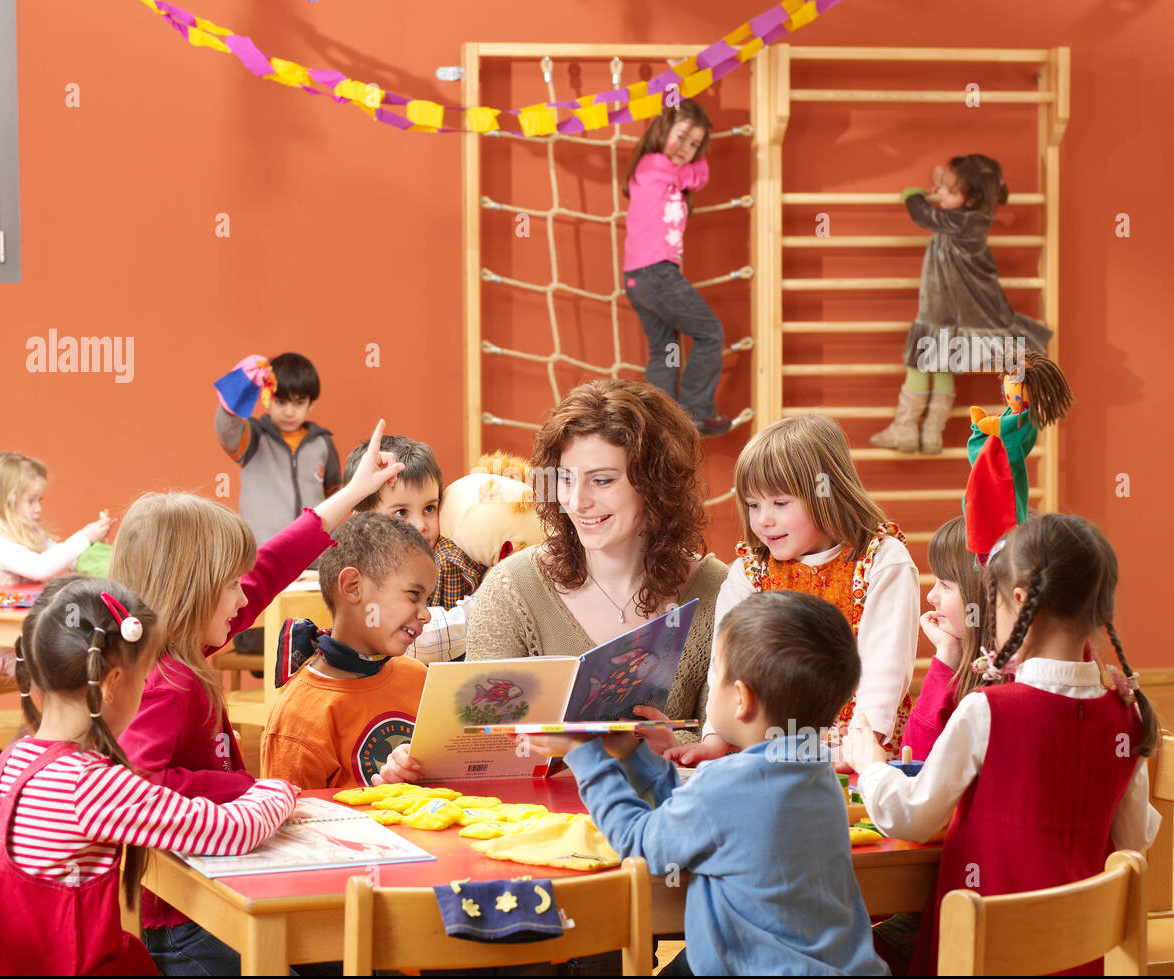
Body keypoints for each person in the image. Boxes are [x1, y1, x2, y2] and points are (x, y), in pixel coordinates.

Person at [110, 419, 401, 975]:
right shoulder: (167, 680)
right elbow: (139, 785)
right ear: (192, 593)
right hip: (187, 921)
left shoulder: (181, 640)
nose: (246, 596)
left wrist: (354, 492)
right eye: (231, 586)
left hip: (203, 894)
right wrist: (245, 790)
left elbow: (271, 565)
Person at [845, 514, 1162, 975]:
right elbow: (1131, 842)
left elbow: (911, 817)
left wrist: (871, 765)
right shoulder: (1126, 714)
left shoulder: (988, 710)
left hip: (978, 958)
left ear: (1018, 600)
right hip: (1079, 964)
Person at [375, 378, 727, 785]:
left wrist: (674, 745)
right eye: (565, 478)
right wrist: (423, 764)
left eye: (602, 480)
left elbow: (735, 751)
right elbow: (480, 749)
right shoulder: (513, 587)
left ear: (656, 483)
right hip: (540, 835)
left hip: (667, 834)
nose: (577, 501)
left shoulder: (721, 590)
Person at [532, 592, 888, 975]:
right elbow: (699, 818)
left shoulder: (730, 786)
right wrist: (636, 756)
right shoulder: (814, 773)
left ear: (740, 699)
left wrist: (584, 757)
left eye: (716, 672)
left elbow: (640, 842)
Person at [0, 577, 296, 976]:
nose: (146, 691)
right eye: (143, 679)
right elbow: (234, 831)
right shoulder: (90, 786)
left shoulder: (10, 761)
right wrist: (277, 789)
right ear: (111, 685)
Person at [668, 415, 919, 766]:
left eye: (780, 503)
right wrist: (715, 739)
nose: (763, 520)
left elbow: (884, 668)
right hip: (763, 754)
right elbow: (724, 666)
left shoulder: (881, 562)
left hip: (857, 754)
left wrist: (862, 747)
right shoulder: (749, 572)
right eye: (753, 505)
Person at [871, 155, 1054, 454]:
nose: (941, 193)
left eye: (949, 191)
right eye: (941, 187)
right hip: (951, 315)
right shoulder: (973, 215)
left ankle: (905, 427)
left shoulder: (962, 221)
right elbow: (948, 186)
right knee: (941, 364)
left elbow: (923, 215)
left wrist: (914, 195)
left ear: (972, 200)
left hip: (946, 312)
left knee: (920, 362)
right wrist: (943, 182)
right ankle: (931, 432)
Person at [260, 513, 435, 790]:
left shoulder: (419, 678)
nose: (425, 614)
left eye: (428, 599)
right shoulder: (298, 717)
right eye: (414, 595)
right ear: (353, 588)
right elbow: (292, 825)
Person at [621, 100, 734, 436]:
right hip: (656, 275)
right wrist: (679, 87)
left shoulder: (661, 170)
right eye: (682, 136)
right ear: (662, 129)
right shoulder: (654, 164)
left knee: (665, 349)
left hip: (638, 280)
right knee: (710, 333)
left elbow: (696, 176)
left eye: (694, 144)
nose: (686, 148)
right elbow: (699, 176)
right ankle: (696, 411)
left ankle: (659, 421)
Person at [0, 451, 113, 675]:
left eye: (39, 500)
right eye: (30, 501)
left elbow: (70, 559)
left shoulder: (32, 534)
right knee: (85, 660)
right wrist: (83, 536)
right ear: (4, 502)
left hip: (41, 636)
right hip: (15, 649)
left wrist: (96, 543)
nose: (38, 508)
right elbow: (41, 568)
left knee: (99, 650)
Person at [341, 434, 485, 610]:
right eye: (401, 512)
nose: (420, 526)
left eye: (429, 509)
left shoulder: (445, 566)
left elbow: (445, 634)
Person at [213, 351, 342, 546]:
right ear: (267, 399)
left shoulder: (323, 443)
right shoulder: (254, 437)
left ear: (311, 404)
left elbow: (335, 497)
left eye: (299, 403)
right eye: (280, 402)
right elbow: (226, 427)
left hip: (313, 557)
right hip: (262, 553)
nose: (289, 412)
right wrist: (239, 388)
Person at [901, 516, 987, 759]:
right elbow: (912, 757)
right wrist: (947, 652)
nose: (931, 596)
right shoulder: (968, 665)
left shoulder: (1007, 680)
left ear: (982, 593)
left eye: (945, 586)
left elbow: (917, 765)